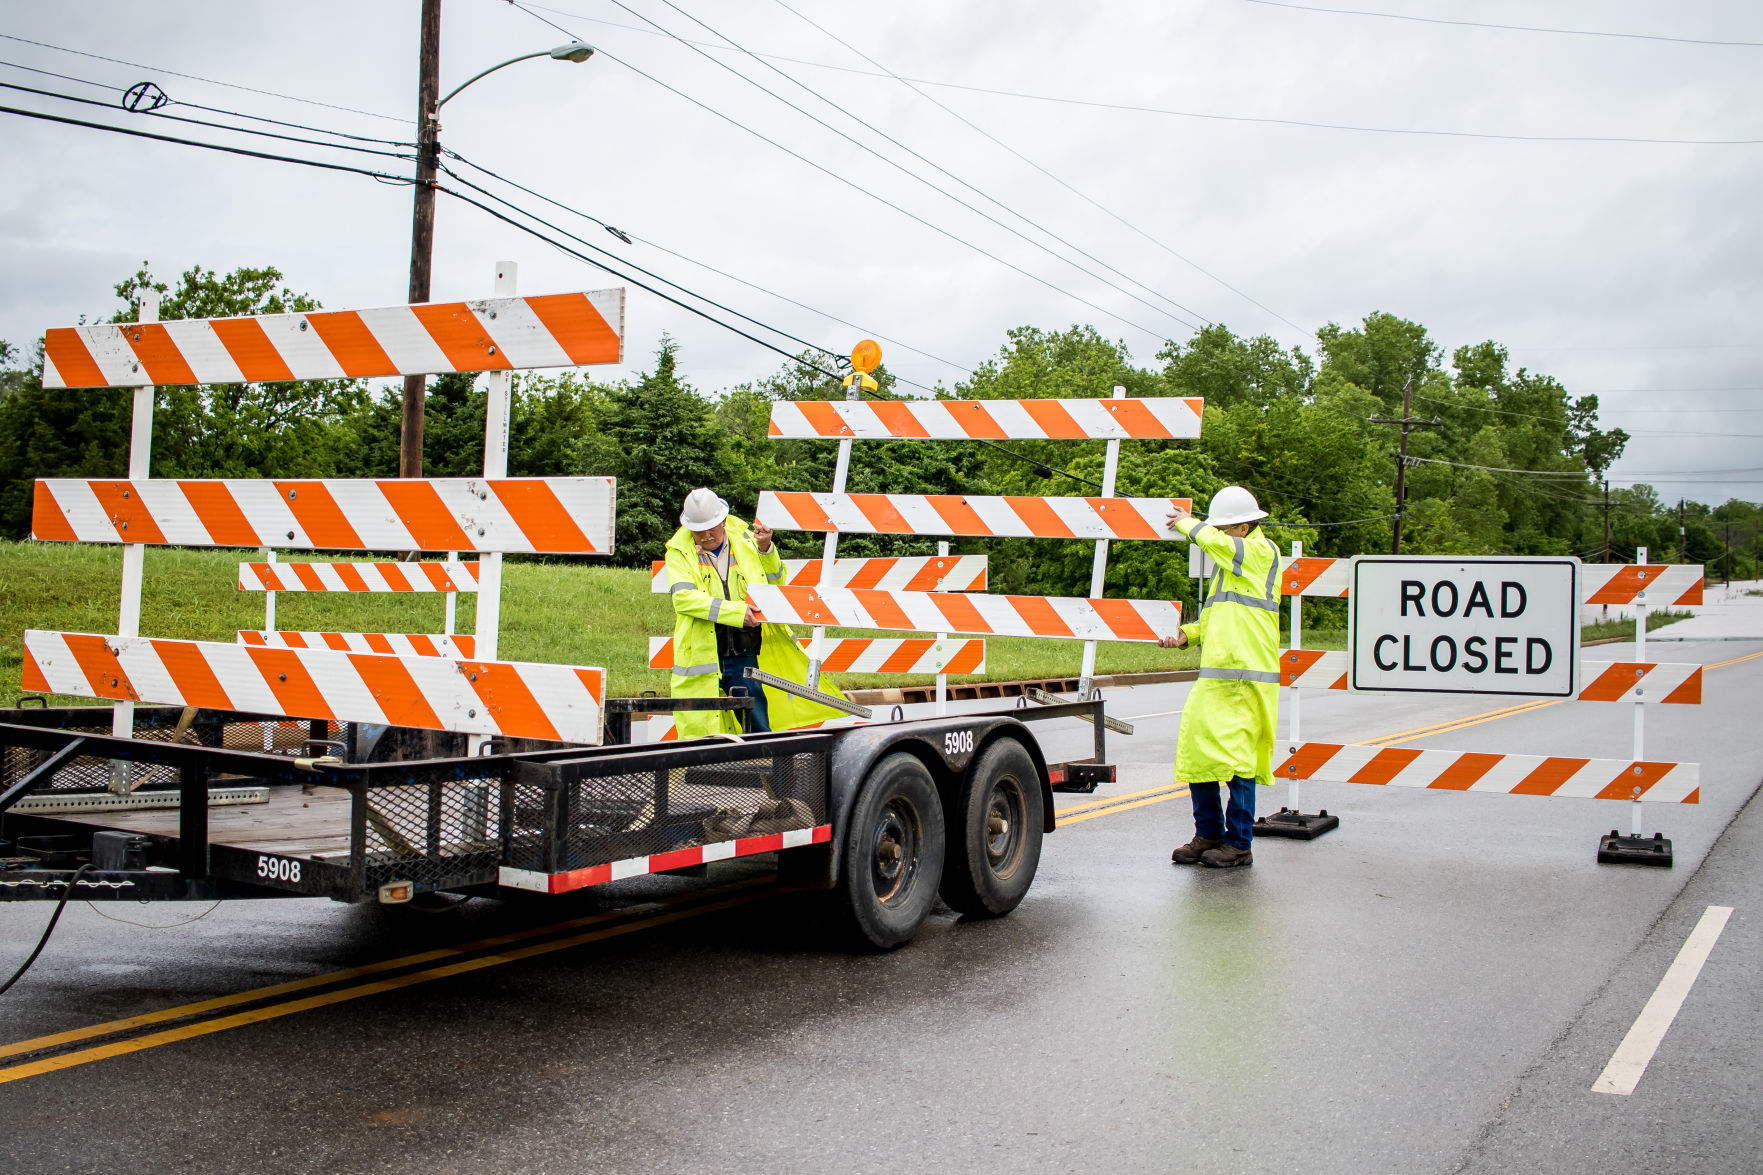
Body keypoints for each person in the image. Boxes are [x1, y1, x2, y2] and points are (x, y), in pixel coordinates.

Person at [1159, 486, 1283, 868]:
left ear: (1244, 528)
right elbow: (1214, 615)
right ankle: (1208, 834)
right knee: (1200, 755)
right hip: (1217, 678)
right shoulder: (1226, 571)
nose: (1221, 535)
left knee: (1239, 762)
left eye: (1225, 528)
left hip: (1249, 677)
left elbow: (1217, 544)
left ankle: (1239, 843)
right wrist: (1187, 635)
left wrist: (1186, 523)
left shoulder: (1262, 552)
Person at [664, 487, 848, 738]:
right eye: (699, 530)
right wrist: (736, 612)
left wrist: (766, 550)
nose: (706, 535)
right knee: (703, 728)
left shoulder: (746, 539)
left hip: (742, 649)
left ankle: (766, 771)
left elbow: (776, 582)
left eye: (712, 527)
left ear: (723, 520)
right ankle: (712, 773)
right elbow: (683, 600)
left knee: (756, 722)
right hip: (703, 652)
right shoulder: (678, 551)